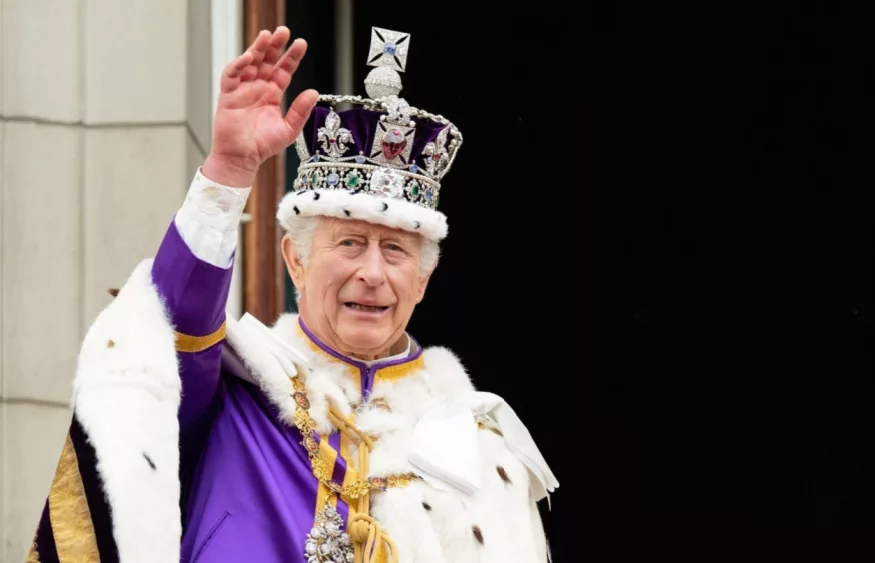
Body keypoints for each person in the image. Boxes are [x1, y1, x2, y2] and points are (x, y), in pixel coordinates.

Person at [26, 25, 557, 563]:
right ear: (295, 260)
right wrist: (229, 174)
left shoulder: (482, 450)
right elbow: (169, 322)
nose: (373, 273)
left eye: (395, 251)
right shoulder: (235, 391)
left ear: (422, 280)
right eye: (350, 242)